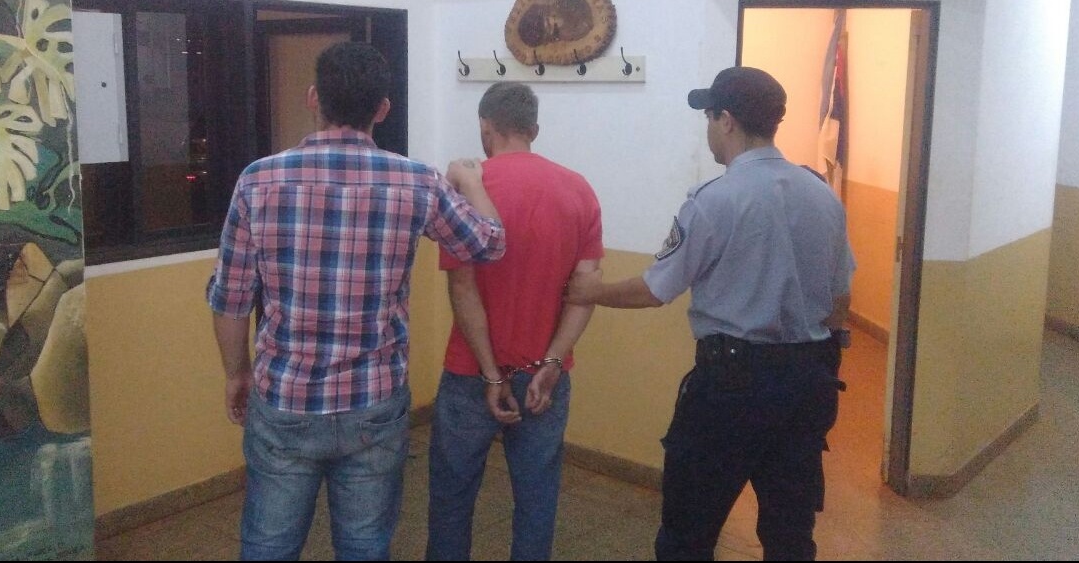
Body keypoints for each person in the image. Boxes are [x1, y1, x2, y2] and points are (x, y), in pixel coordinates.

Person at [206, 42, 506, 561]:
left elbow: (231, 299)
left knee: (269, 545)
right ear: (382, 109)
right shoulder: (417, 181)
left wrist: (236, 374)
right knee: (365, 545)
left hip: (284, 396)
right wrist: (473, 181)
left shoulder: (259, 179)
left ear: (313, 98)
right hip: (375, 400)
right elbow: (490, 243)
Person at [565, 66, 854, 561]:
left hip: (731, 389)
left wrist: (591, 290)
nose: (707, 130)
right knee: (790, 535)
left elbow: (655, 289)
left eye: (708, 117)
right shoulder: (823, 196)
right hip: (807, 385)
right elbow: (839, 301)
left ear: (726, 120)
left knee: (688, 534)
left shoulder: (713, 201)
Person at [426, 82, 604, 561]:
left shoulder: (466, 189)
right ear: (534, 130)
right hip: (544, 376)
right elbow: (584, 292)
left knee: (452, 498)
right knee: (537, 498)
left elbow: (463, 289)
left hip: (471, 371)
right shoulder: (578, 189)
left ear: (485, 126)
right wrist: (552, 362)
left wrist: (490, 373)